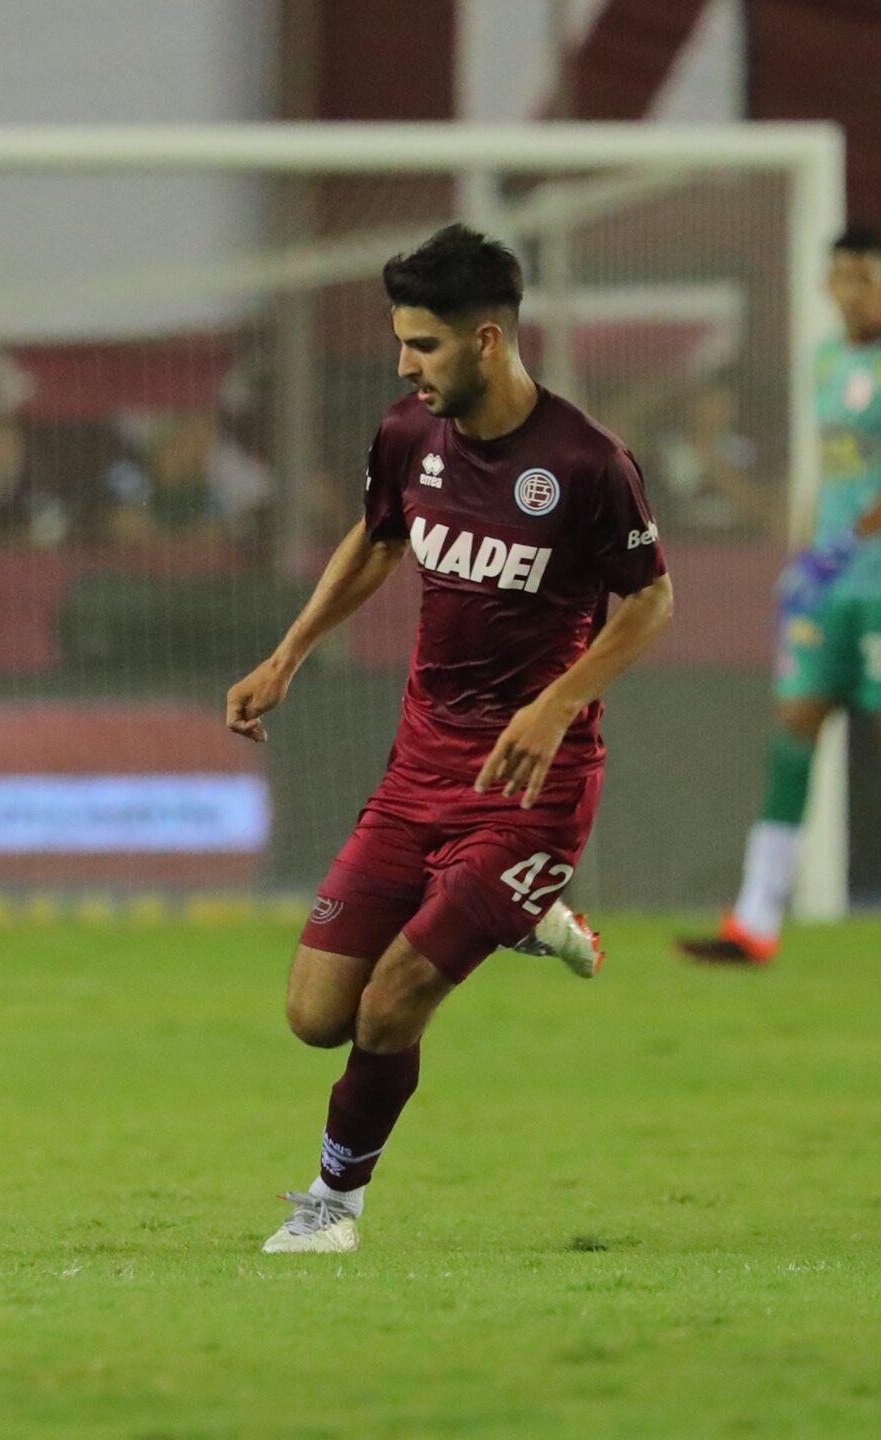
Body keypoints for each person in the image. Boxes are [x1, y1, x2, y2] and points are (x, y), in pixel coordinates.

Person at [225, 225, 675, 1253]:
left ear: (485, 339)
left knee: (390, 1007)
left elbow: (650, 606)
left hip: (533, 788)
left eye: (421, 345)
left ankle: (331, 1207)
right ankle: (526, 917)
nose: (402, 365)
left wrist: (557, 701)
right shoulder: (406, 437)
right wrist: (289, 653)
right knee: (313, 1014)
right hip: (419, 769)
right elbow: (378, 537)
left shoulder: (585, 463)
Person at [678, 227, 881, 969]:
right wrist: (803, 555)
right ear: (828, 284)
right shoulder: (825, 360)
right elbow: (831, 473)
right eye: (842, 275)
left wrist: (842, 546)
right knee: (793, 729)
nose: (853, 288)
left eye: (867, 274)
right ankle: (754, 922)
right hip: (830, 583)